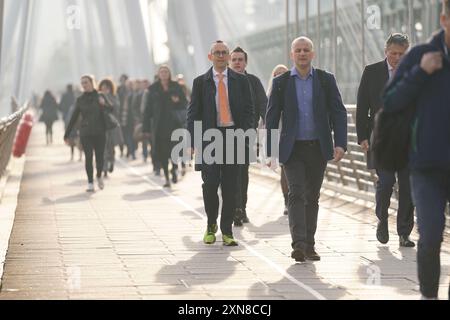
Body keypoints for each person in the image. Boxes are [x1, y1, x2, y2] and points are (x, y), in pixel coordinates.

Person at [383, 0, 450, 300]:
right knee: (431, 235)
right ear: (444, 19)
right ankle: (428, 295)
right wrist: (421, 73)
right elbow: (391, 101)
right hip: (426, 165)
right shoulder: (421, 56)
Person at [266, 37, 347, 262]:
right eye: (298, 51)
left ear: (313, 54)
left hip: (318, 148)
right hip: (292, 149)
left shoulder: (325, 80)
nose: (302, 54)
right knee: (296, 193)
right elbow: (271, 117)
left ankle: (310, 245)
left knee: (312, 196)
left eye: (306, 50)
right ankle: (299, 245)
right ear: (292, 55)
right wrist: (270, 150)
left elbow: (339, 112)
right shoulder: (281, 82)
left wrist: (340, 143)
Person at [187, 40, 254, 246]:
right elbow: (193, 113)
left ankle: (227, 230)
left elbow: (249, 110)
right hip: (209, 139)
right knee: (210, 184)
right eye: (217, 53)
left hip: (234, 136)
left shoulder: (240, 81)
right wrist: (192, 140)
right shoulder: (201, 82)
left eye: (225, 52)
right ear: (210, 57)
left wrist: (246, 134)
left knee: (231, 186)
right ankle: (210, 224)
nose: (221, 56)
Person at [356, 33, 415, 248]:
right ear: (385, 52)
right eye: (393, 53)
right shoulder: (371, 72)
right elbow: (362, 107)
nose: (398, 58)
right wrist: (362, 137)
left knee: (408, 187)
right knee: (386, 183)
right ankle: (382, 219)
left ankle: (404, 233)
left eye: (402, 54)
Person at [229, 46, 268, 226]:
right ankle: (231, 206)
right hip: (222, 134)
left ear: (245, 62)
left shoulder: (253, 81)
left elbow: (263, 105)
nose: (237, 62)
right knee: (226, 174)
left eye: (240, 60)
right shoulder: (222, 81)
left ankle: (241, 208)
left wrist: (267, 126)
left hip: (246, 134)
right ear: (230, 62)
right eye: (234, 59)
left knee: (242, 172)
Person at [143, 65, 188, 188]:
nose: (163, 74)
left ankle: (174, 169)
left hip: (174, 124)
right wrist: (145, 128)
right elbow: (147, 110)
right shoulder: (153, 89)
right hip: (159, 126)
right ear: (158, 74)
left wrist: (177, 101)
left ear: (169, 73)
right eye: (161, 72)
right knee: (162, 151)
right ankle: (167, 177)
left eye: (166, 72)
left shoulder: (176, 86)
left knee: (173, 150)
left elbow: (185, 103)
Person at [64, 75, 110, 192]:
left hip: (100, 132)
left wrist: (104, 103)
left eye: (86, 82)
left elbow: (111, 109)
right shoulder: (80, 100)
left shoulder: (100, 96)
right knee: (88, 157)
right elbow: (74, 118)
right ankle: (90, 182)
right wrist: (67, 134)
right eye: (82, 83)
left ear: (92, 83)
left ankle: (98, 175)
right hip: (86, 132)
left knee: (100, 157)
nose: (84, 85)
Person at [266, 64, 290, 216]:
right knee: (285, 168)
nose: (280, 76)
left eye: (283, 73)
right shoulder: (271, 94)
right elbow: (268, 119)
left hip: (293, 134)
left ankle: (295, 199)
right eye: (277, 74)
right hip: (279, 134)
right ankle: (287, 200)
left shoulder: (295, 91)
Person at [99, 78, 123, 177]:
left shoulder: (114, 96)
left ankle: (111, 162)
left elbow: (116, 108)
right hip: (101, 126)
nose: (104, 90)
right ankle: (104, 169)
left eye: (106, 88)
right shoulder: (98, 97)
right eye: (103, 88)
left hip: (112, 126)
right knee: (103, 148)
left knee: (111, 147)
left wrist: (107, 100)